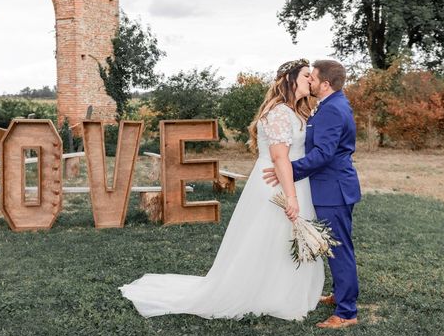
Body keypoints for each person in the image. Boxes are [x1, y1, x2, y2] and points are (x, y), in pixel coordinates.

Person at [119, 59, 324, 320]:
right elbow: (280, 158)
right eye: (306, 75)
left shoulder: (295, 111)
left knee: (282, 241)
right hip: (278, 184)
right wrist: (291, 197)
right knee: (269, 239)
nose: (310, 79)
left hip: (292, 180)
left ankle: (285, 290)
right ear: (290, 79)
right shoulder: (281, 113)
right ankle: (267, 293)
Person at [263, 59, 361, 329]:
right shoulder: (330, 104)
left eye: (313, 78)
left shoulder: (332, 109)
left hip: (334, 189)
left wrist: (290, 170)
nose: (310, 82)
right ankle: (340, 296)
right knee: (335, 246)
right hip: (332, 187)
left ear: (325, 84)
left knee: (339, 249)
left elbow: (323, 154)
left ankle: (346, 313)